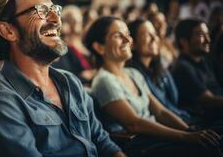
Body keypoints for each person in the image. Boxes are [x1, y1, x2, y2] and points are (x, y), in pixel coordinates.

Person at [0, 0, 125, 157]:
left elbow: (103, 143)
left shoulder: (70, 82)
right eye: (42, 11)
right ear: (8, 31)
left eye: (55, 9)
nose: (56, 19)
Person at [83, 16, 221, 157]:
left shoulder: (133, 73)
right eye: (118, 35)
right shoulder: (104, 80)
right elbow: (134, 124)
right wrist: (186, 137)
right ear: (99, 47)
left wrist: (189, 130)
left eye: (128, 34)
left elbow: (160, 112)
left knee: (214, 138)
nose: (127, 40)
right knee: (205, 149)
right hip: (140, 145)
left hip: (158, 139)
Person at [127, 19, 191, 122]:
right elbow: (159, 112)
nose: (154, 38)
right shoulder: (133, 74)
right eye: (147, 35)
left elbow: (175, 100)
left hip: (182, 117)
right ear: (133, 43)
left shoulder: (159, 68)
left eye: (154, 34)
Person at [172, 19, 223, 119]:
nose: (208, 40)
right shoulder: (182, 68)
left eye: (207, 34)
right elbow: (208, 101)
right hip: (206, 122)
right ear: (184, 42)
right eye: (201, 35)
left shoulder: (206, 61)